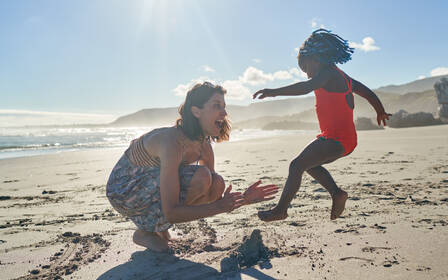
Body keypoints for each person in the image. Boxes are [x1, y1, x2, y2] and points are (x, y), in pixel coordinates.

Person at [106, 82, 279, 251]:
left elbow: (214, 198)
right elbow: (172, 211)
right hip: (123, 189)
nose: (224, 112)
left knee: (216, 182)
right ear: (196, 111)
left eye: (224, 106)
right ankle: (145, 232)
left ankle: (158, 228)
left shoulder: (204, 145)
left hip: (150, 184)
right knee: (202, 176)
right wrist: (219, 208)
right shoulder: (172, 142)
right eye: (216, 106)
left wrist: (244, 199)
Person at [252, 29, 391, 222]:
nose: (308, 75)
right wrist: (380, 110)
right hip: (344, 139)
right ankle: (337, 194)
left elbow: (305, 87)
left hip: (336, 139)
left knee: (296, 165)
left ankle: (281, 210)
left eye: (306, 68)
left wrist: (273, 91)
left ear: (316, 58)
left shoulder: (327, 74)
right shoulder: (343, 77)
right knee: (309, 164)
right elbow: (367, 92)